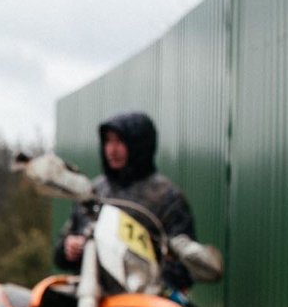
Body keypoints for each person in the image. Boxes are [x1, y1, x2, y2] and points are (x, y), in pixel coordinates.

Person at [54, 111, 196, 291]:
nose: (112, 149)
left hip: (145, 302)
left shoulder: (167, 198)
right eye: (108, 141)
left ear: (139, 144)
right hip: (92, 297)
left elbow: (184, 267)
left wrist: (154, 283)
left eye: (120, 141)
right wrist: (70, 249)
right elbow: (61, 250)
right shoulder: (93, 192)